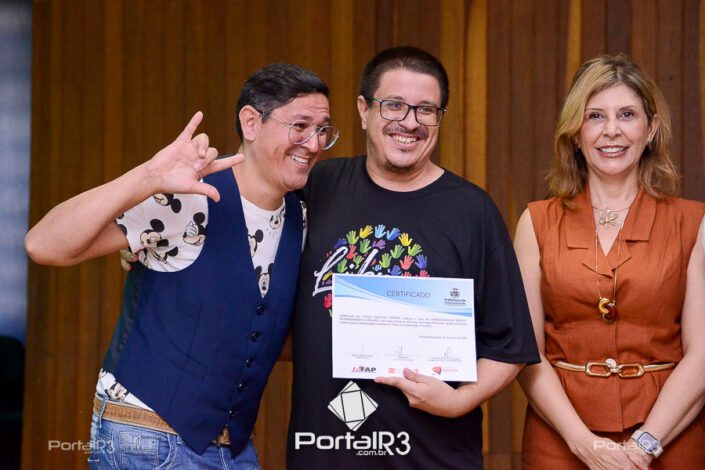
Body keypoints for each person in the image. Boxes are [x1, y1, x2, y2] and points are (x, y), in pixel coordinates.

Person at [24, 63, 339, 469]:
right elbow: (43, 245)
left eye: (323, 130)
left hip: (233, 447)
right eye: (300, 126)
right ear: (251, 122)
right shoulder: (189, 197)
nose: (313, 144)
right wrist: (148, 177)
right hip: (145, 434)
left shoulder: (301, 219)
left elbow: (262, 334)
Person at [286, 46, 539, 469]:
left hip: (432, 456)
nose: (409, 122)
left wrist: (460, 401)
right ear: (364, 110)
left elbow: (510, 345)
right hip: (327, 451)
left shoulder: (471, 211)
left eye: (426, 110)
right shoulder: (318, 188)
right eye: (394, 105)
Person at [514, 54, 705, 469]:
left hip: (669, 435)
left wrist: (643, 446)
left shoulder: (694, 223)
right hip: (561, 438)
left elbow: (702, 352)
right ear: (575, 132)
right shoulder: (535, 222)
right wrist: (584, 444)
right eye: (595, 115)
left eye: (627, 115)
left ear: (651, 129)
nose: (611, 130)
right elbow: (526, 351)